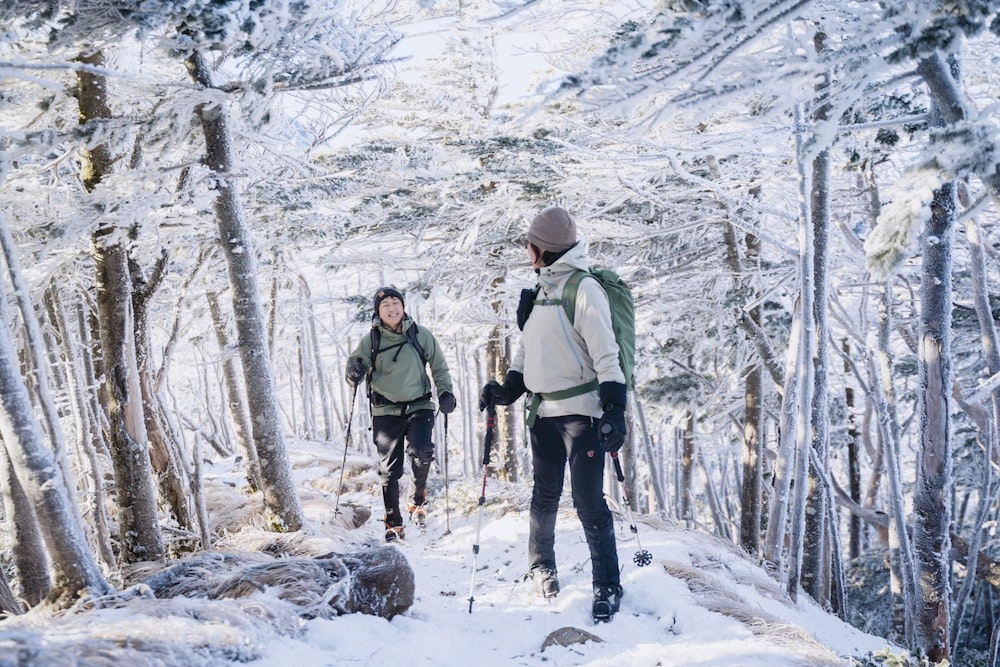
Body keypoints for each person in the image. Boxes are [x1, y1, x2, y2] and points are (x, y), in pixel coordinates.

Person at [480, 206, 628, 622]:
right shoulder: (541, 290)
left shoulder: (584, 290)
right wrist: (508, 388)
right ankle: (540, 565)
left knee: (587, 500)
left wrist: (615, 408)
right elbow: (528, 350)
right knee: (544, 495)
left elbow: (606, 353)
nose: (526, 251)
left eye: (529, 244)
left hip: (583, 414)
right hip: (543, 413)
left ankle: (607, 585)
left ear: (541, 248)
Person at [346, 286, 456, 542]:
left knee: (422, 452)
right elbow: (351, 372)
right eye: (386, 305)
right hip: (385, 410)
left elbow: (439, 366)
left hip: (419, 405)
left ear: (403, 306)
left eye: (396, 303)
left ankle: (417, 500)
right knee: (389, 470)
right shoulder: (371, 341)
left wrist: (446, 393)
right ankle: (392, 522)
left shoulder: (420, 334)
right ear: (378, 312)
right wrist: (354, 372)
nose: (392, 308)